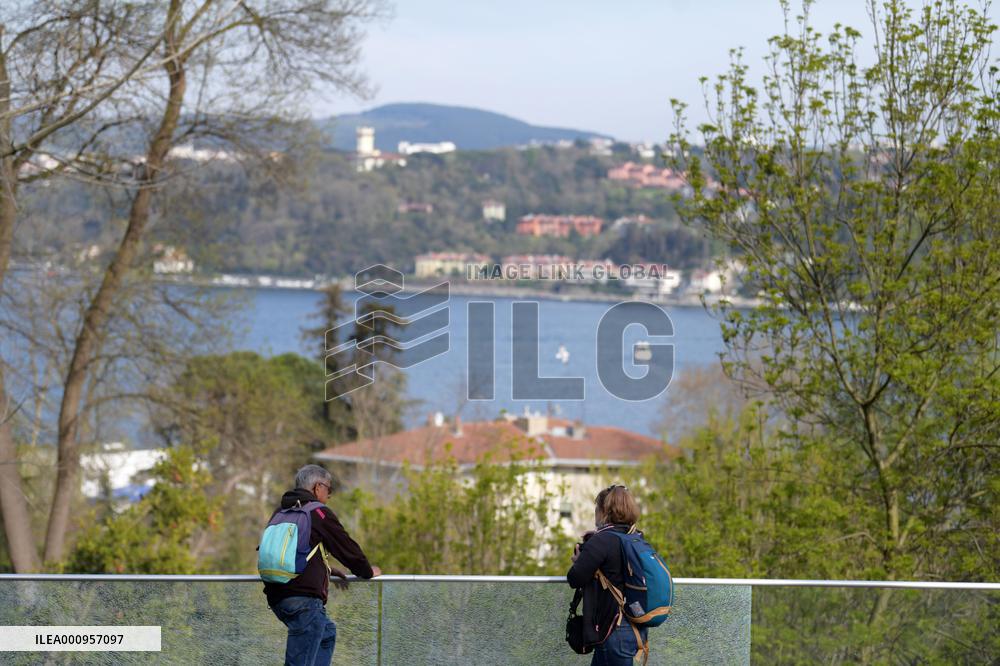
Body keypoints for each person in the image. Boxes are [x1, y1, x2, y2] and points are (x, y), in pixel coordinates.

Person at [263, 464, 381, 666]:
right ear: (318, 488)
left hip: (277, 596)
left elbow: (294, 553)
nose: (329, 495)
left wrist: (326, 570)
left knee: (326, 633)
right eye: (329, 489)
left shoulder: (280, 512)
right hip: (303, 600)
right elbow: (346, 548)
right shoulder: (317, 512)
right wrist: (368, 571)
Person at [566, 484, 648, 666]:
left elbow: (575, 578)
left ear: (604, 511)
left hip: (613, 631)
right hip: (635, 625)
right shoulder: (635, 536)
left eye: (596, 508)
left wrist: (580, 560)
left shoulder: (602, 540)